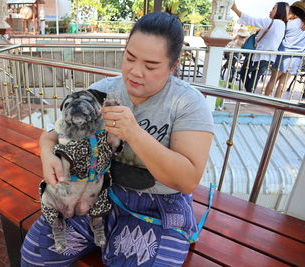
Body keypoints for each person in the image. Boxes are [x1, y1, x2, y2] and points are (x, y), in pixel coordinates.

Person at [21, 12, 214, 267]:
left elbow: (187, 180)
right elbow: (53, 136)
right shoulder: (104, 91)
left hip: (157, 206)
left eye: (151, 65)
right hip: (101, 192)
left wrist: (133, 133)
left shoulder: (188, 104)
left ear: (172, 65)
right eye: (130, 58)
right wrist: (47, 155)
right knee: (36, 254)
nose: (135, 71)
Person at [231, 1, 288, 92]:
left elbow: (250, 20)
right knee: (254, 79)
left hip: (258, 55)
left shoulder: (270, 22)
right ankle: (251, 95)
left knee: (243, 72)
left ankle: (249, 94)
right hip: (269, 57)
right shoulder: (283, 25)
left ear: (279, 10)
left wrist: (235, 9)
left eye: (273, 8)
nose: (270, 10)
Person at [264, 1, 305, 98]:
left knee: (273, 80)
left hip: (283, 54)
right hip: (297, 58)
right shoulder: (303, 25)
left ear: (293, 11)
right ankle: (276, 105)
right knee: (283, 82)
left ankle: (264, 100)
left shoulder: (287, 24)